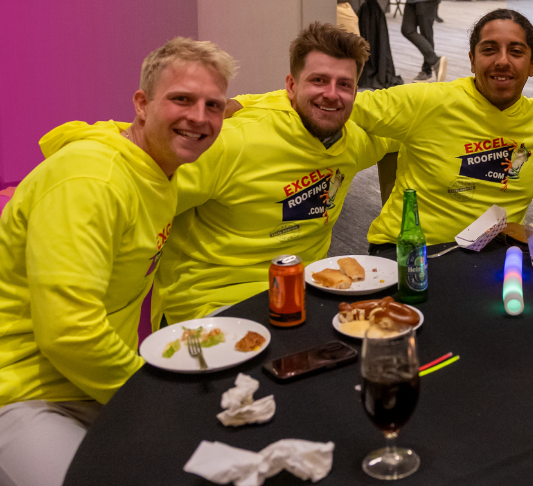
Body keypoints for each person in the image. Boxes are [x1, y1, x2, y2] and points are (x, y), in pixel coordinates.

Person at [0, 38, 235, 486]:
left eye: (213, 105)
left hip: (92, 393)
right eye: (181, 99)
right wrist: (155, 397)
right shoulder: (92, 179)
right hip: (8, 401)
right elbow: (70, 333)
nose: (199, 117)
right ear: (142, 104)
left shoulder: (156, 170)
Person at [233, 9, 533, 249]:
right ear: (472, 60)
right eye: (489, 50)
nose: (502, 60)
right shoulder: (429, 102)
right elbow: (338, 99)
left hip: (492, 254)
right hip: (407, 252)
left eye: (516, 52)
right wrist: (243, 104)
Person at [153, 23, 394, 325]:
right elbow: (139, 196)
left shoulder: (354, 141)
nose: (331, 94)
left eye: (344, 84)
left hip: (305, 294)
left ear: (356, 92)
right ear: (291, 86)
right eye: (318, 80)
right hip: (213, 304)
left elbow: (407, 131)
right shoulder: (231, 143)